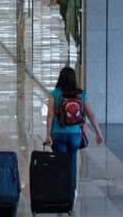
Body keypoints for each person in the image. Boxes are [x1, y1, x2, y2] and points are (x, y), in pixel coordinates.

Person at [44, 66, 103, 201]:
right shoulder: (81, 94)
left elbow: (50, 116)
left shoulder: (55, 93)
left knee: (60, 162)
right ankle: (72, 191)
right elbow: (91, 115)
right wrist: (98, 133)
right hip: (75, 135)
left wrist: (48, 134)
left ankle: (60, 191)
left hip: (58, 135)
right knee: (72, 162)